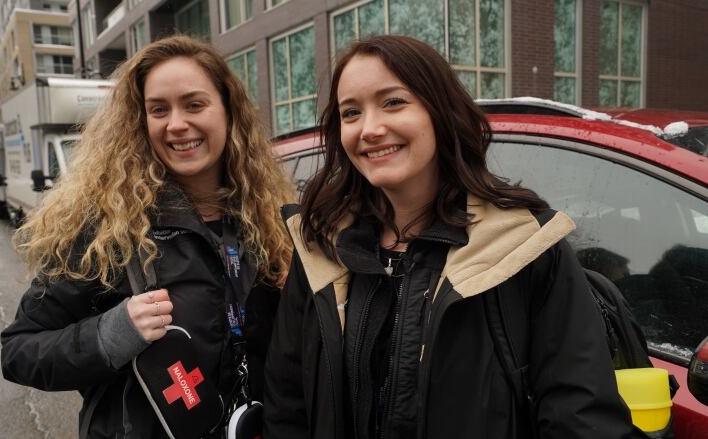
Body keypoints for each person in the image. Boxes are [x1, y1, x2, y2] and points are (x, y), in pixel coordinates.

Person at [264, 35, 643, 439]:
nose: (370, 129)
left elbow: (581, 418)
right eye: (351, 112)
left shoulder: (525, 248)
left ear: (439, 110)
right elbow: (288, 407)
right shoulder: (321, 248)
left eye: (393, 102)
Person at [0, 35, 294, 438]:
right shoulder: (105, 227)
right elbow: (19, 350)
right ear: (141, 122)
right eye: (159, 109)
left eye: (194, 104)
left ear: (228, 112)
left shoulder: (268, 220)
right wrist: (109, 334)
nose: (176, 124)